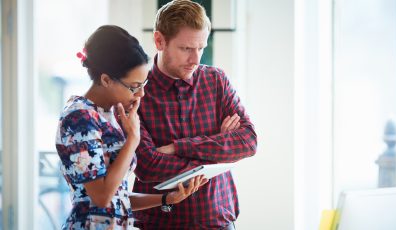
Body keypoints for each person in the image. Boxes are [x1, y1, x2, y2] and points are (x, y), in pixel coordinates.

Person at [55, 25, 208, 229]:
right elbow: (101, 197)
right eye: (134, 87)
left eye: (143, 85)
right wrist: (133, 139)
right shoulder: (79, 118)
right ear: (106, 79)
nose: (141, 95)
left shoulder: (109, 114)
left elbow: (118, 197)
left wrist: (166, 199)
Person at [133, 0, 258, 229]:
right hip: (160, 223)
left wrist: (178, 148)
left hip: (218, 220)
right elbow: (147, 166)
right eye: (186, 48)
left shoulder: (216, 81)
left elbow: (248, 141)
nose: (196, 59)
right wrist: (219, 149)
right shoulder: (138, 92)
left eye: (201, 48)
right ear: (159, 40)